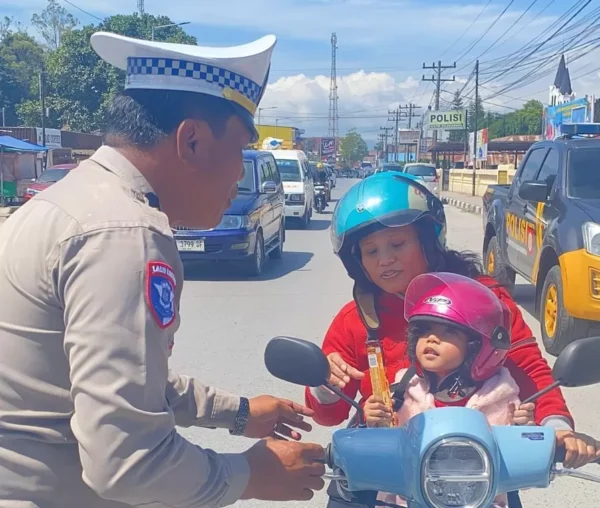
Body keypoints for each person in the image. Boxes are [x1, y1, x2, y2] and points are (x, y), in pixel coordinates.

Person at [0, 32, 325, 507]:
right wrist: (249, 475)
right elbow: (129, 463)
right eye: (239, 149)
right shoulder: (125, 232)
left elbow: (114, 378)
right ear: (191, 140)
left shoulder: (69, 203)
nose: (240, 172)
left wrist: (235, 413)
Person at [304, 172, 598, 505]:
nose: (385, 259)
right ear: (357, 264)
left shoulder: (486, 301)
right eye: (371, 252)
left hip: (475, 471)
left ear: (429, 241)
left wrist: (559, 428)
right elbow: (328, 414)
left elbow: (528, 369)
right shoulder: (356, 319)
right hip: (382, 468)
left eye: (397, 244)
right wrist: (325, 383)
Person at [365, 272, 537, 507]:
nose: (432, 339)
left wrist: (522, 429)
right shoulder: (402, 389)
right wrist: (375, 421)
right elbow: (385, 450)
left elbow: (518, 463)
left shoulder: (499, 395)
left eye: (449, 332)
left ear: (479, 346)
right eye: (425, 331)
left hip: (480, 501)